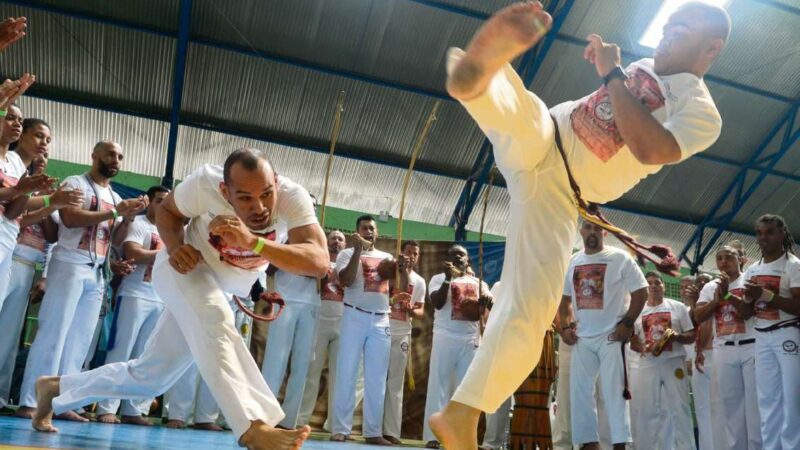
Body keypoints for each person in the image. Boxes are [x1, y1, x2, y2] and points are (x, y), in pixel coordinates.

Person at [430, 2, 730, 448]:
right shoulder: (642, 65)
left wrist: (612, 74)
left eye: (679, 30)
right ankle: (479, 80)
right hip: (550, 132)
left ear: (711, 47)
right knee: (526, 120)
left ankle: (461, 412)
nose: (665, 35)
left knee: (529, 310)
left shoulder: (703, 112)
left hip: (561, 193)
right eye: (666, 26)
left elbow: (650, 148)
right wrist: (616, 69)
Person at [32, 149, 328, 450]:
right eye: (245, 198)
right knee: (217, 317)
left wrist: (254, 242)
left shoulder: (292, 197)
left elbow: (319, 261)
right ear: (225, 191)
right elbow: (168, 211)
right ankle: (252, 426)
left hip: (222, 287)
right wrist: (174, 247)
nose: (260, 207)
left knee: (150, 377)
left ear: (276, 182)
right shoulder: (204, 183)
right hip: (184, 268)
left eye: (266, 193)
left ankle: (55, 389)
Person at [17, 141, 147, 420]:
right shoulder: (75, 182)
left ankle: (63, 404)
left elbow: (117, 240)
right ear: (95, 155)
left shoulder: (113, 194)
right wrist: (116, 212)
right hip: (70, 264)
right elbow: (71, 219)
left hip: (97, 271)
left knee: (79, 342)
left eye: (120, 156)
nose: (116, 160)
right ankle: (30, 400)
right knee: (54, 333)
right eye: (111, 154)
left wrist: (127, 219)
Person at [558, 221, 648, 449]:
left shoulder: (619, 257)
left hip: (612, 336)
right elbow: (565, 301)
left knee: (615, 394)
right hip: (583, 339)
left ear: (604, 233)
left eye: (597, 229)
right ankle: (589, 445)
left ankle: (620, 444)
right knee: (579, 395)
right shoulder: (573, 261)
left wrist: (627, 324)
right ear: (581, 232)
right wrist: (566, 328)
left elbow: (641, 291)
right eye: (588, 228)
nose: (592, 233)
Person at [94, 185, 170, 426]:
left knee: (144, 357)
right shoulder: (138, 224)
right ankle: (106, 406)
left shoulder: (172, 231)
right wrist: (169, 254)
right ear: (150, 202)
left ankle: (133, 409)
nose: (164, 205)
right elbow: (132, 253)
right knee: (121, 352)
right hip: (135, 294)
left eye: (167, 201)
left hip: (161, 299)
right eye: (159, 200)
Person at [330, 215, 394, 445]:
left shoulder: (386, 257)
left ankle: (373, 431)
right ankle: (340, 429)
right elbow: (345, 281)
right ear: (356, 232)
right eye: (364, 228)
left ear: (377, 233)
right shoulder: (346, 254)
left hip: (381, 320)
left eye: (372, 229)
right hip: (353, 315)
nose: (369, 231)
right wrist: (357, 250)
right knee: (347, 372)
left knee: (377, 378)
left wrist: (402, 267)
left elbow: (396, 284)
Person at [739, 215, 799, 450]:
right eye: (759, 233)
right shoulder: (752, 270)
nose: (763, 237)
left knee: (792, 398)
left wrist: (766, 295)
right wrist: (748, 297)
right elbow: (745, 314)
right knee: (767, 400)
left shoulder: (793, 266)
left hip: (787, 335)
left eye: (769, 232)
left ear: (782, 234)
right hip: (761, 337)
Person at [423, 244, 492, 448]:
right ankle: (433, 437)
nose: (456, 258)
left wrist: (486, 300)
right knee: (438, 386)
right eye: (452, 255)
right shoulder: (437, 278)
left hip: (470, 341)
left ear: (467, 260)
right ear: (447, 259)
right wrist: (447, 278)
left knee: (466, 390)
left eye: (461, 255)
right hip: (444, 337)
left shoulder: (478, 282)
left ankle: (463, 437)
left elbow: (490, 305)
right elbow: (437, 303)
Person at [693, 246, 761, 450]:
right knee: (731, 408)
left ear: (741, 259)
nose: (723, 262)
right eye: (719, 258)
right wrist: (716, 299)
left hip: (751, 346)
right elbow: (698, 316)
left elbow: (749, 313)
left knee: (754, 408)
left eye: (729, 257)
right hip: (723, 349)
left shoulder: (750, 281)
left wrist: (727, 296)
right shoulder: (710, 286)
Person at [630, 272, 696, 450]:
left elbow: (691, 335)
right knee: (647, 410)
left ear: (663, 286)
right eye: (649, 283)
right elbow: (632, 340)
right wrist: (640, 347)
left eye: (657, 283)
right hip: (647, 364)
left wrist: (676, 337)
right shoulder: (637, 310)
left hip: (673, 362)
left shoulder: (678, 307)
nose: (653, 286)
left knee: (680, 407)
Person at [297, 230, 346, 428]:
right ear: (326, 241)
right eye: (333, 237)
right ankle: (300, 419)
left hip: (343, 320)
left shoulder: (350, 264)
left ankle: (336, 424)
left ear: (345, 244)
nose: (337, 241)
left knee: (339, 374)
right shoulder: (319, 260)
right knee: (312, 370)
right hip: (319, 316)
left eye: (341, 238)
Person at [383, 240, 426, 444]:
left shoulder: (419, 281)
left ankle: (391, 431)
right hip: (380, 329)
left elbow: (420, 311)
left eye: (415, 253)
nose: (411, 255)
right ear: (401, 252)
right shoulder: (387, 268)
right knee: (368, 379)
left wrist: (410, 309)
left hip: (402, 332)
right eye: (407, 251)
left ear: (418, 257)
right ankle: (361, 426)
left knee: (395, 383)